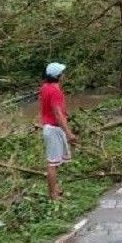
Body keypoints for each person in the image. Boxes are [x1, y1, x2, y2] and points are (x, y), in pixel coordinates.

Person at [39, 62, 77, 200]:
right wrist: (69, 133)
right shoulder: (55, 91)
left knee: (56, 162)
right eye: (63, 73)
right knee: (53, 164)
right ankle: (53, 195)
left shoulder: (45, 87)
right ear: (59, 76)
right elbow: (58, 114)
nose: (64, 75)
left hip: (50, 128)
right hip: (54, 128)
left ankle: (55, 188)